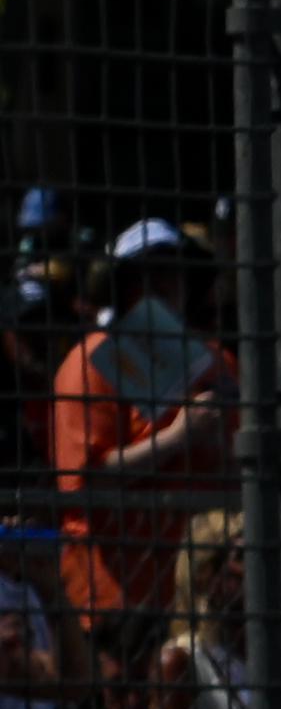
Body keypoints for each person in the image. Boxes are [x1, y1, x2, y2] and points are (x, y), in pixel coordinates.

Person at [48, 228, 231, 634]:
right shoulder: (91, 362)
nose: (164, 282)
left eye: (173, 270)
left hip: (200, 601)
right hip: (117, 599)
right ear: (123, 285)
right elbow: (85, 479)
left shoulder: (215, 362)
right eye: (147, 272)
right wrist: (178, 437)